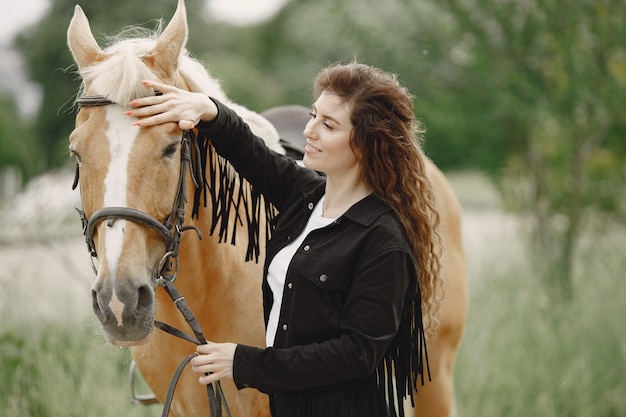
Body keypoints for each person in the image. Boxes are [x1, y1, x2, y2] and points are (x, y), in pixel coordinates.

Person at [127, 61, 442, 417]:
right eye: (313, 115)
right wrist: (208, 109)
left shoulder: (383, 240)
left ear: (366, 143)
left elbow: (357, 355)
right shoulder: (306, 195)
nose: (309, 131)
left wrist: (245, 362)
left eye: (328, 124)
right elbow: (250, 152)